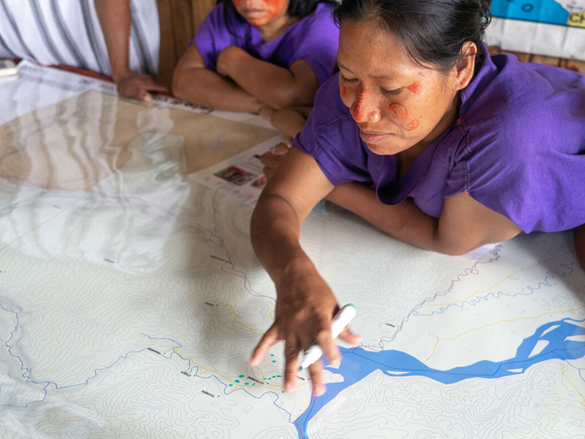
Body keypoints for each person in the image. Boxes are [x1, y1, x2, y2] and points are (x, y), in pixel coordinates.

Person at [248, 0, 585, 397]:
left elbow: (450, 240)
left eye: (391, 89)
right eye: (347, 75)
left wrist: (333, 186)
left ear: (461, 68)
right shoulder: (353, 94)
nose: (361, 112)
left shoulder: (506, 138)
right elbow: (279, 201)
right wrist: (292, 274)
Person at [172, 0, 340, 135]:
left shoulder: (325, 21)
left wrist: (231, 59)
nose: (249, 2)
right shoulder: (225, 15)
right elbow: (183, 83)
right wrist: (265, 104)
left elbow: (297, 95)